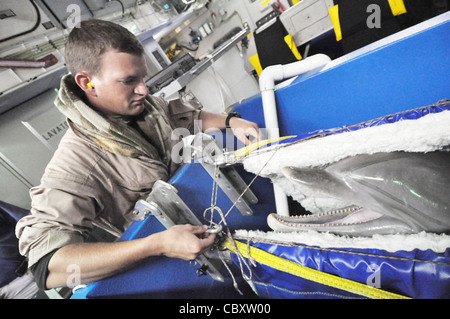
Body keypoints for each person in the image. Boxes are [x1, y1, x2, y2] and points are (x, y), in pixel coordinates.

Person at [15, 19, 262, 291]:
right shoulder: (78, 162)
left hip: (209, 226)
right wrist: (157, 245)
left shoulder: (145, 108)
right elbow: (46, 265)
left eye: (142, 77)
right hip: (168, 265)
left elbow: (184, 117)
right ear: (87, 82)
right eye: (129, 81)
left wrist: (231, 121)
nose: (144, 89)